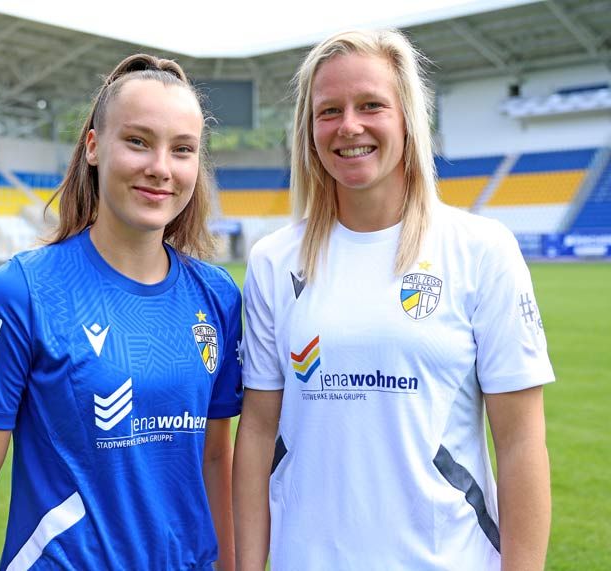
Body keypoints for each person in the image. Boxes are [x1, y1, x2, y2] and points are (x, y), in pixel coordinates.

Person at [233, 29, 554, 571]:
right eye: (328, 110)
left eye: (371, 105)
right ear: (308, 130)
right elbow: (259, 432)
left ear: (407, 117)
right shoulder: (272, 261)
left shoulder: (481, 250)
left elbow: (521, 440)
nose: (349, 126)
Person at [0, 54, 242, 571]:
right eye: (138, 141)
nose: (161, 168)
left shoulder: (218, 297)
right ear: (95, 147)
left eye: (183, 149)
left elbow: (215, 459)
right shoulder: (18, 292)